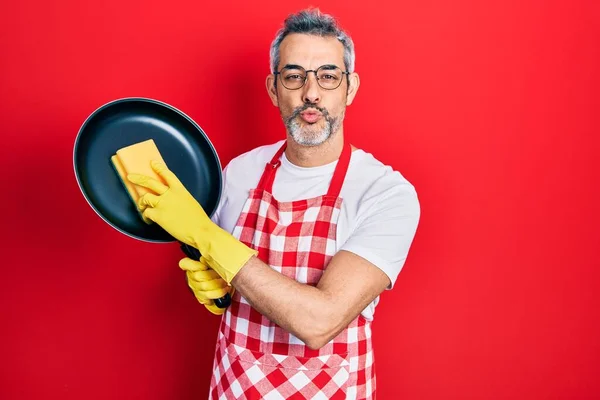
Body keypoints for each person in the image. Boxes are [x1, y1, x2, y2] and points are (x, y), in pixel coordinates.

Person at [127, 8, 420, 399]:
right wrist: (214, 287)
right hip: (234, 388)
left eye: (328, 76)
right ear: (273, 88)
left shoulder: (385, 193)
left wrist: (203, 232)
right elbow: (227, 275)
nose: (311, 93)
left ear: (350, 88)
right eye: (294, 76)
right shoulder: (239, 173)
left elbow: (320, 321)